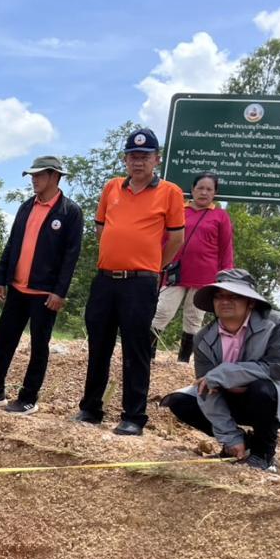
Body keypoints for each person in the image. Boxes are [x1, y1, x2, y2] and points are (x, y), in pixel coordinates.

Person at [76, 128, 185, 435]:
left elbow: (176, 238)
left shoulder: (170, 192)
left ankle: (133, 416)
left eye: (145, 156)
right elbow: (101, 229)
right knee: (99, 345)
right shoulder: (111, 188)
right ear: (125, 159)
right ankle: (90, 408)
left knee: (135, 349)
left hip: (141, 282)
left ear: (156, 160)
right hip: (106, 278)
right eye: (133, 156)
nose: (138, 162)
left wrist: (153, 266)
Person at [161, 269, 280, 472]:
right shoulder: (203, 337)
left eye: (233, 296)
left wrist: (225, 374)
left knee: (260, 389)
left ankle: (263, 454)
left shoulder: (277, 323)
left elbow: (279, 369)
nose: (224, 301)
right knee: (180, 401)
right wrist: (230, 437)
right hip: (228, 399)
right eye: (219, 296)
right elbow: (207, 387)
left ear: (251, 302)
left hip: (274, 399)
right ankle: (243, 444)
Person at [0, 156, 83, 415]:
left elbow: (71, 255)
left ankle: (28, 397)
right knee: (4, 339)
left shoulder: (70, 212)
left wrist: (60, 291)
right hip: (17, 288)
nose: (34, 180)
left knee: (38, 345)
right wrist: (2, 278)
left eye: (39, 175)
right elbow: (12, 243)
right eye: (32, 176)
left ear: (55, 176)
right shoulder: (26, 207)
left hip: (45, 293)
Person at [151, 172, 234, 363]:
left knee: (194, 317)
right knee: (162, 311)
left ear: (215, 193)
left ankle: (183, 360)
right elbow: (164, 239)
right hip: (175, 273)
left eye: (209, 189)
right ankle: (148, 355)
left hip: (205, 276)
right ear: (193, 189)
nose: (204, 193)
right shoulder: (179, 210)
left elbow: (226, 248)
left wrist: (226, 276)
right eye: (200, 188)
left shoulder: (220, 216)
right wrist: (158, 265)